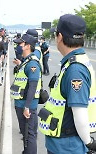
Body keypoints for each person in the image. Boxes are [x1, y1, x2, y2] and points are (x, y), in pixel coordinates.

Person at [38, 14, 96, 154]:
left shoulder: (75, 69)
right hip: (65, 141)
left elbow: (79, 110)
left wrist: (89, 142)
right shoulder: (77, 61)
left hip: (66, 145)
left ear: (60, 37)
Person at [10, 34, 42, 154]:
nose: (18, 46)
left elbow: (33, 86)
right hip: (21, 103)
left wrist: (27, 107)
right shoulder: (26, 61)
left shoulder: (32, 63)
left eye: (21, 44)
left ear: (28, 46)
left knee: (29, 136)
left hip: (26, 105)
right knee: (26, 135)